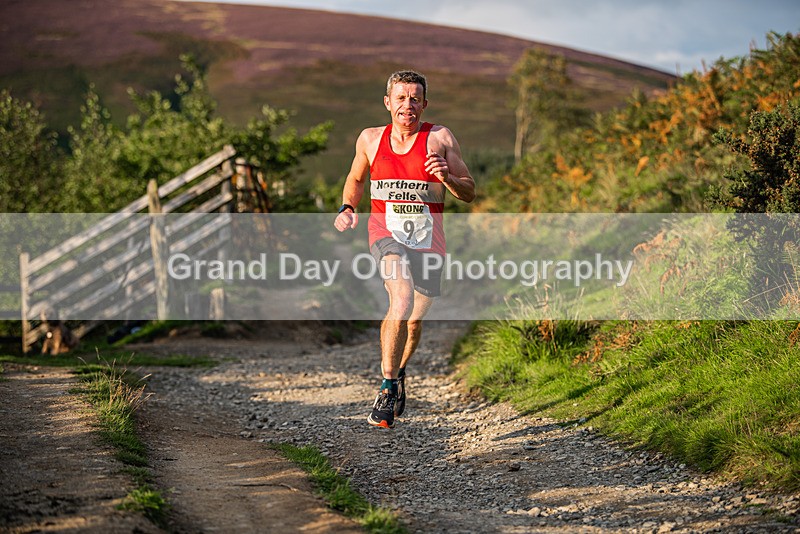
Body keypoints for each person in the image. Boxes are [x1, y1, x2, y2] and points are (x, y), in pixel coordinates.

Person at [333, 70, 475, 428]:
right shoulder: (370, 139)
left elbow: (469, 191)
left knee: (412, 322)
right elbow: (356, 178)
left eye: (414, 98)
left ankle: (398, 372)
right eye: (400, 98)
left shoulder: (440, 138)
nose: (407, 105)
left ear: (424, 104)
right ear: (387, 102)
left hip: (429, 242)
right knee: (401, 298)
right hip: (386, 234)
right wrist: (348, 206)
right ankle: (386, 387)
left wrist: (447, 177)